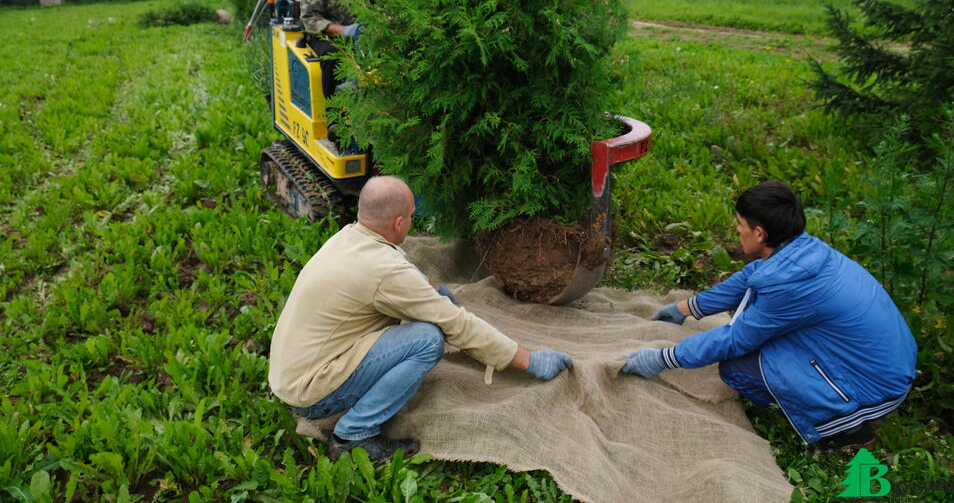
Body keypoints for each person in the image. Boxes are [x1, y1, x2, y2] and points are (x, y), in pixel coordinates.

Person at [268, 175, 573, 462]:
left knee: (425, 325)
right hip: (311, 393)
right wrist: (527, 360)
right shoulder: (385, 272)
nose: (412, 222)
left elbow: (397, 269)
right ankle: (354, 436)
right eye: (412, 216)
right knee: (427, 339)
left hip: (292, 374)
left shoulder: (349, 238)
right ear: (399, 222)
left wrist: (434, 289)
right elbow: (457, 325)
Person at [620, 180, 917, 451]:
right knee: (757, 321)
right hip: (888, 366)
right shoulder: (805, 252)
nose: (737, 231)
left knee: (737, 365)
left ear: (759, 233)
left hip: (876, 388)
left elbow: (736, 340)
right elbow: (752, 276)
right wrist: (687, 308)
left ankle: (846, 429)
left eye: (740, 225)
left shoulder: (790, 284)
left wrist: (664, 358)